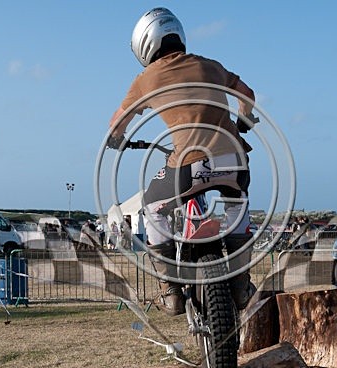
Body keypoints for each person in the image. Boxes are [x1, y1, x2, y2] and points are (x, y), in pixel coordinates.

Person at [108, 7, 257, 316]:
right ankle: (242, 285)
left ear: (144, 46)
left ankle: (170, 290)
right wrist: (245, 118)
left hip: (189, 166)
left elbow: (117, 122)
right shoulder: (211, 66)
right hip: (235, 162)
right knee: (236, 205)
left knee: (152, 208)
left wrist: (116, 139)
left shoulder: (146, 79)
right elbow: (248, 93)